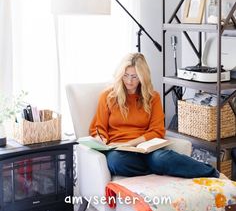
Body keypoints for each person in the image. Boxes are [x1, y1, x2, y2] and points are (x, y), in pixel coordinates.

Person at [89, 53, 219, 178]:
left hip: (146, 149)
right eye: (126, 75)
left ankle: (211, 172)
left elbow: (157, 130)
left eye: (134, 76)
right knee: (116, 161)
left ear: (142, 77)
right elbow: (99, 127)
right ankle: (157, 168)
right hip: (120, 151)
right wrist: (101, 140)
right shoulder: (108, 96)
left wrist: (131, 143)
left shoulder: (153, 97)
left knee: (161, 158)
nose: (129, 81)